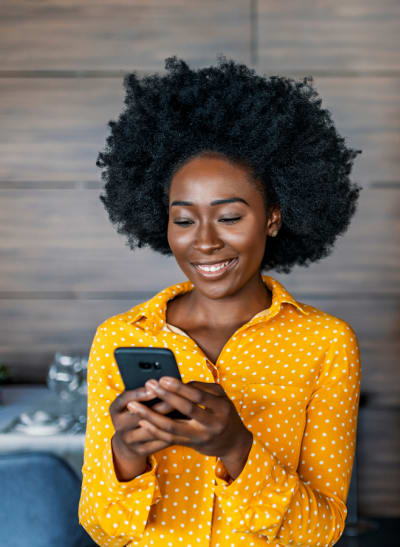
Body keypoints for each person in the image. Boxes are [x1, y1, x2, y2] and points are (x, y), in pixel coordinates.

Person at [78, 55, 362, 547]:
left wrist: (237, 449)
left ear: (272, 217)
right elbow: (103, 531)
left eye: (229, 217)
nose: (204, 242)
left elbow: (320, 533)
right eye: (184, 220)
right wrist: (126, 454)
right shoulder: (120, 338)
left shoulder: (325, 343)